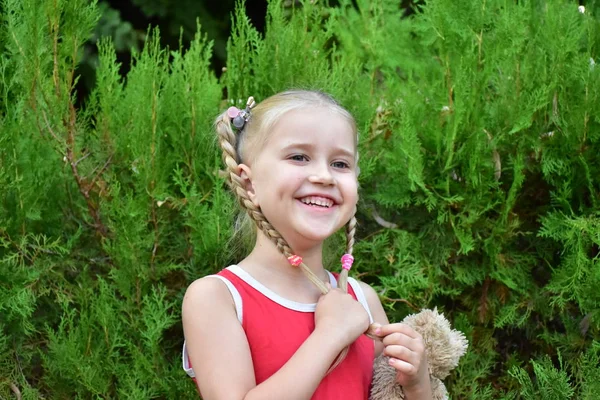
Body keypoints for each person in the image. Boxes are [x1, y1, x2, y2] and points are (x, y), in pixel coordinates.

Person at [181, 90, 433, 400]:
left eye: (340, 163)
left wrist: (418, 385)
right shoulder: (218, 298)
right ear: (249, 184)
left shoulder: (363, 301)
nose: (324, 176)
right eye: (299, 157)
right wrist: (329, 335)